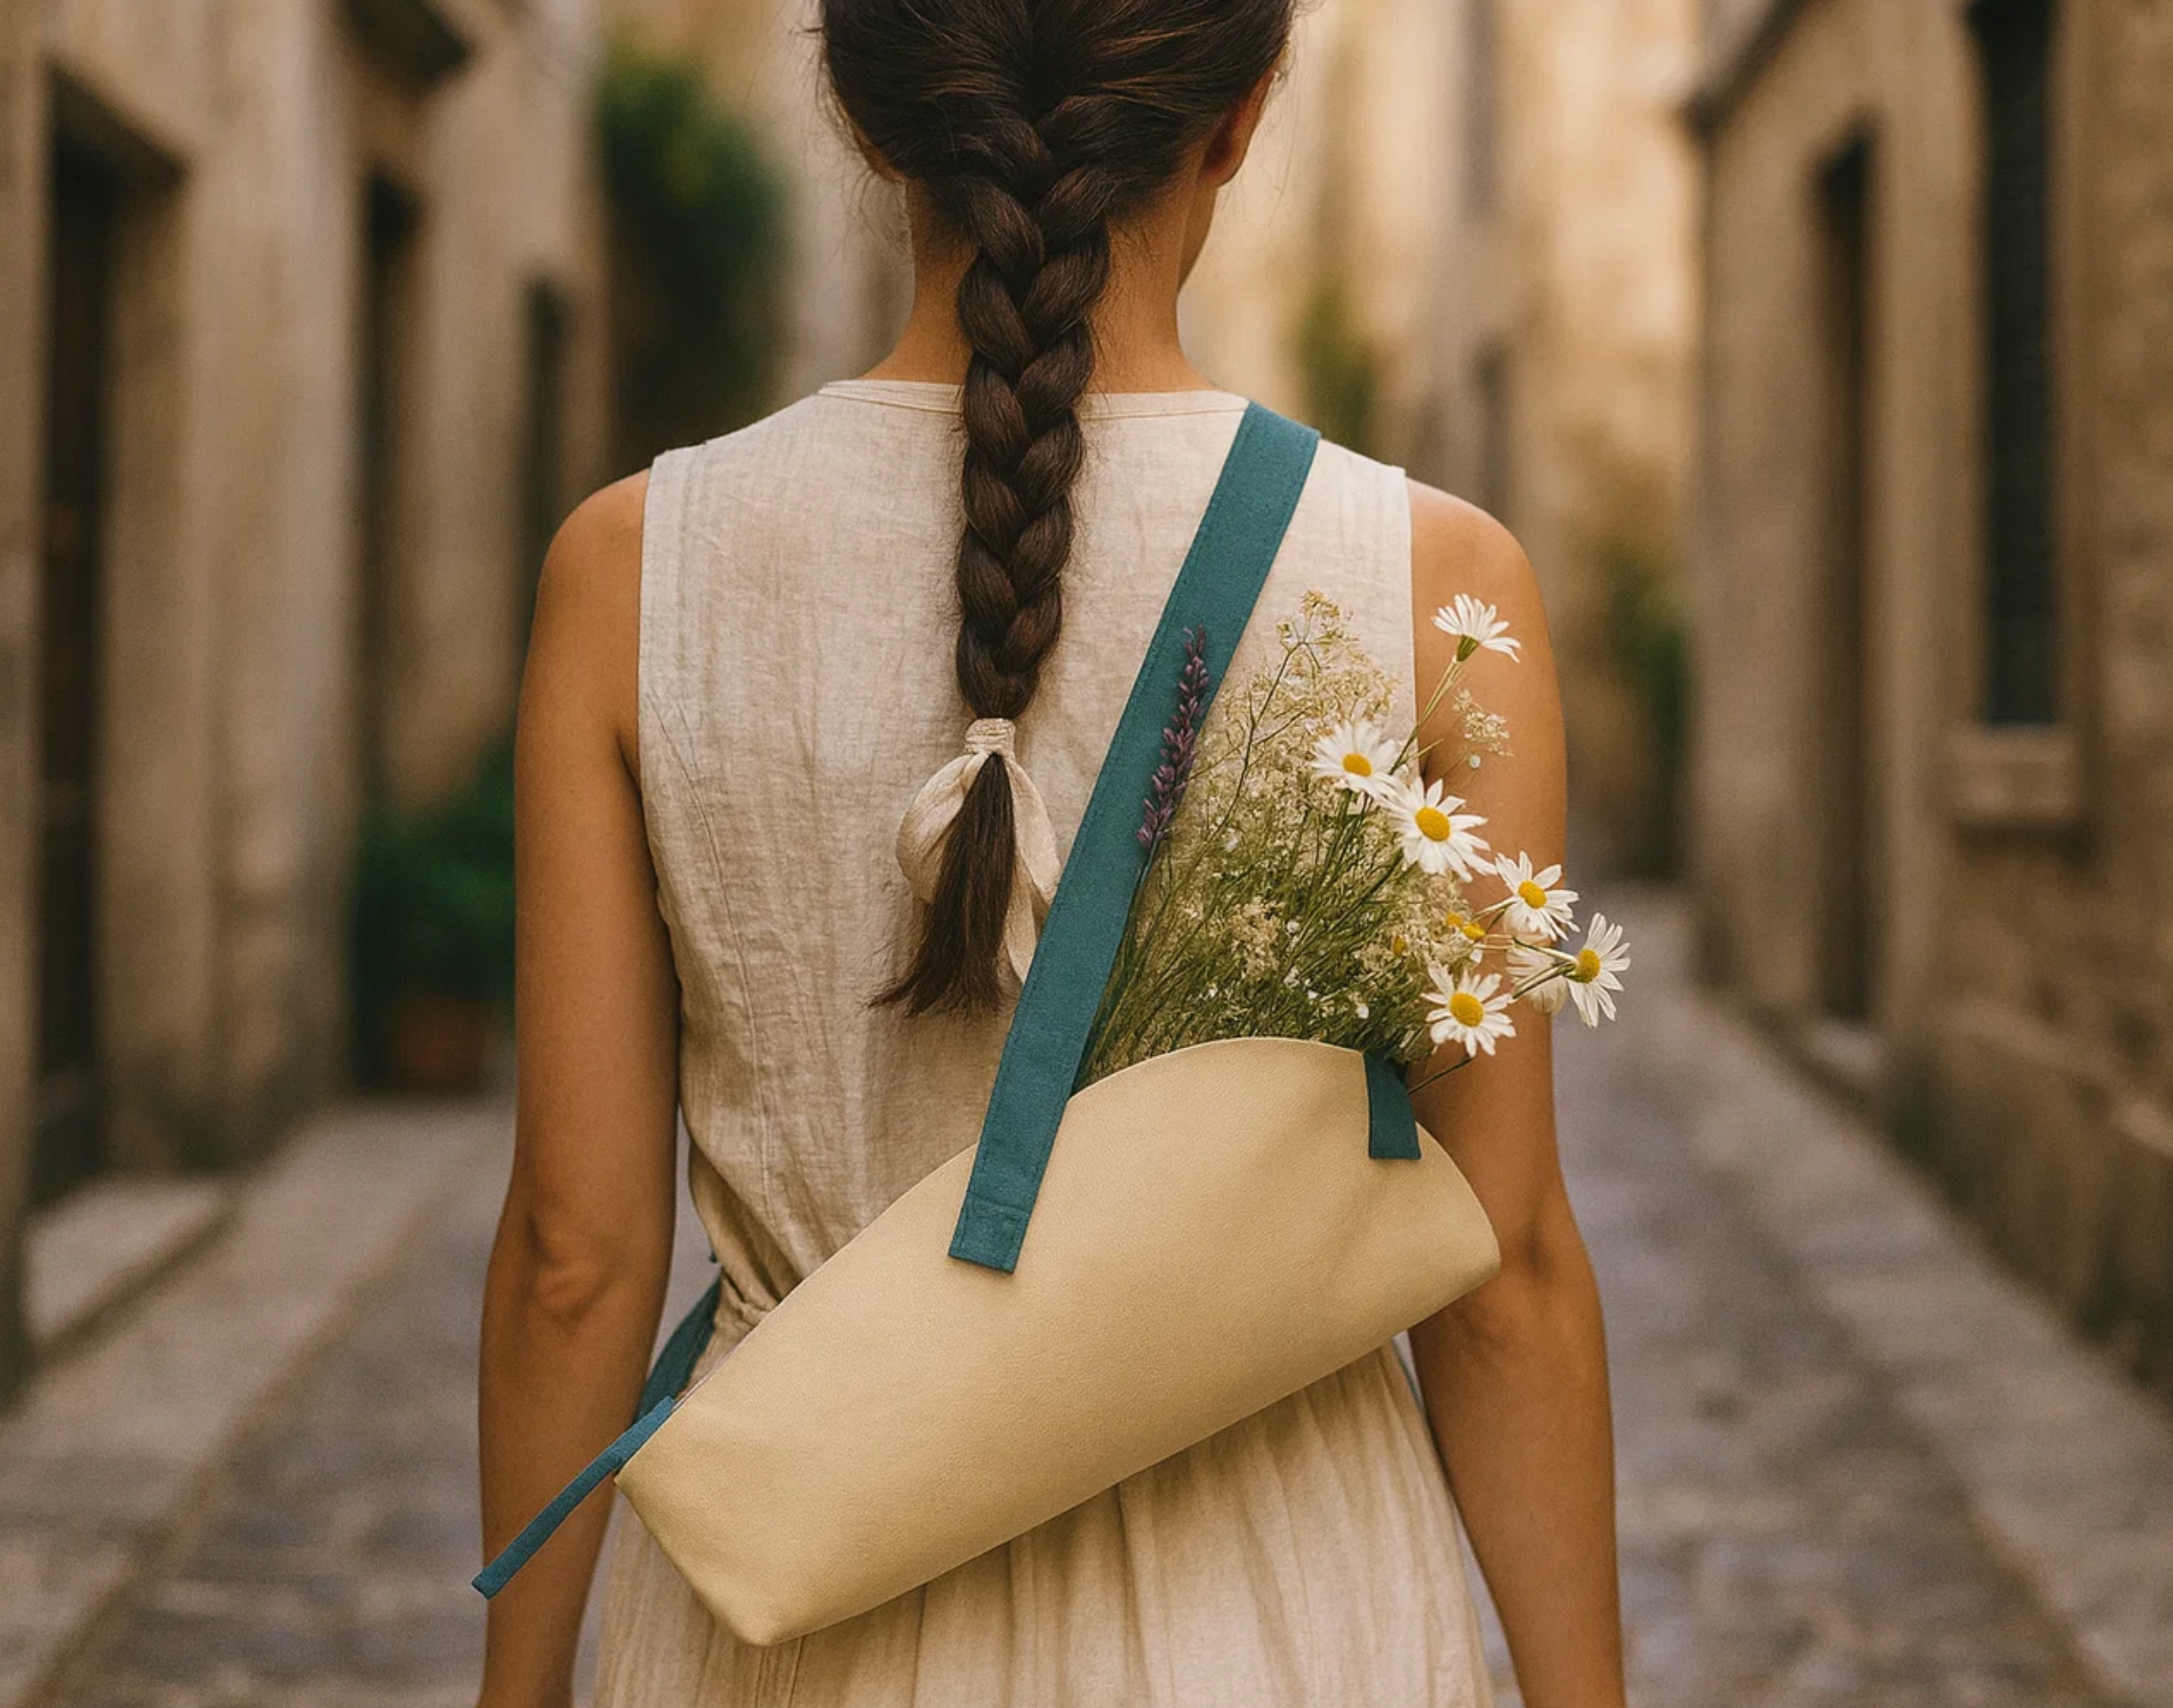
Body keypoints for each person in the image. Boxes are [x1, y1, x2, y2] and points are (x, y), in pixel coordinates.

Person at [477, 3, 1625, 1703]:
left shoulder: (634, 574)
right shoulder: (1432, 585)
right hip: (1288, 1613)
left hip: (787, 1615)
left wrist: (519, 1688)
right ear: (1237, 120)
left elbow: (576, 1260)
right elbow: (1501, 1271)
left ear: (869, 124)